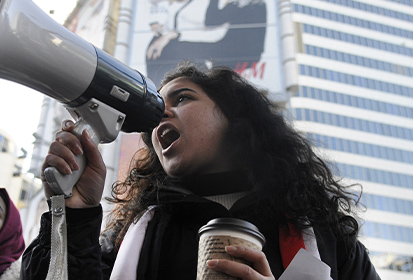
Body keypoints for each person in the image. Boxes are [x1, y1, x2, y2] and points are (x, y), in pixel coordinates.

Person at [21, 61, 380, 279]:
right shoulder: (133, 234)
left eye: (182, 98)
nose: (161, 113)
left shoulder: (330, 238)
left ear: (237, 118)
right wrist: (75, 212)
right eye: (156, 109)